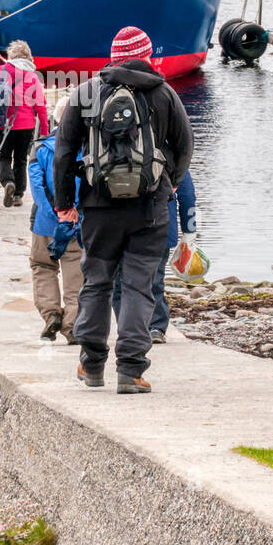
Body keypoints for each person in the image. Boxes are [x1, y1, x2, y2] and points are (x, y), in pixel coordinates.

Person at [53, 25, 193, 395]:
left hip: (98, 207)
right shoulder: (163, 93)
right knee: (137, 286)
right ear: (147, 56)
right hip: (149, 208)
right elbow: (185, 144)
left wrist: (64, 204)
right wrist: (170, 183)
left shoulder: (84, 93)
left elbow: (64, 153)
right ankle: (130, 371)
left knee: (96, 283)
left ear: (112, 57)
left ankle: (91, 364)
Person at [113, 169, 197, 343]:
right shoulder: (170, 156)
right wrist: (189, 230)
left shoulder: (116, 152)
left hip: (119, 226)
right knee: (154, 279)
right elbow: (187, 194)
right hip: (161, 226)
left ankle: (126, 327)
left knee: (120, 281)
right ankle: (156, 327)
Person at [29, 95, 82, 343]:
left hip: (44, 224)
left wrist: (54, 212)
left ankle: (51, 314)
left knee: (43, 267)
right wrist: (73, 211)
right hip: (76, 224)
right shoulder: (86, 149)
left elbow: (37, 188)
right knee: (76, 274)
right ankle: (72, 325)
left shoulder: (40, 148)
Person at [0, 40, 48, 207]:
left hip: (3, 125)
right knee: (21, 159)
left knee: (3, 157)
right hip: (26, 125)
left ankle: (8, 182)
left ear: (11, 55)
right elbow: (41, 106)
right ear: (28, 56)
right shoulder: (33, 77)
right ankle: (18, 195)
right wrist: (44, 129)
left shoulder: (0, 72)